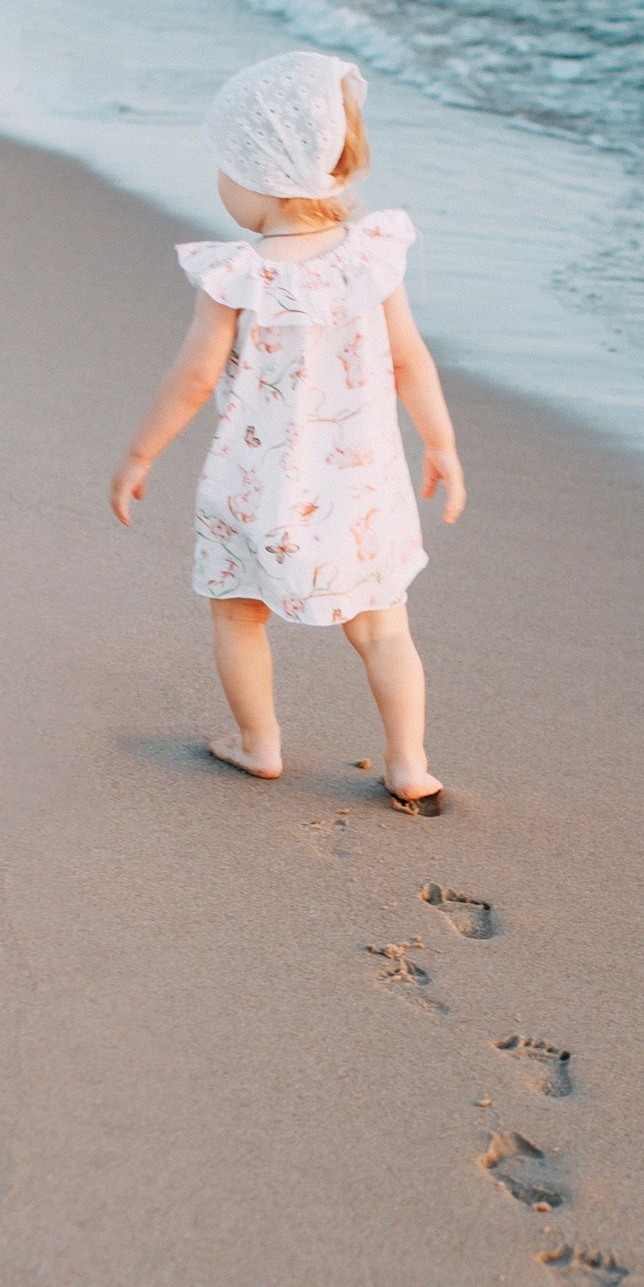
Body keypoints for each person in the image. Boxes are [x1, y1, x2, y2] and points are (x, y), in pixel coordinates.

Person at [111, 51, 465, 814]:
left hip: (257, 487)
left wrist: (140, 454)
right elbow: (411, 362)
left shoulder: (241, 276)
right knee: (383, 630)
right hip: (362, 488)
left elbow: (194, 379)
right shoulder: (372, 260)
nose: (219, 183)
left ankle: (259, 742)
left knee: (239, 613)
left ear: (262, 177)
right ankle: (408, 762)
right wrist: (441, 445)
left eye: (225, 168)